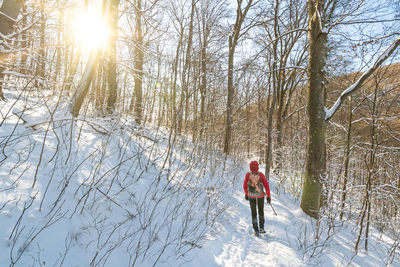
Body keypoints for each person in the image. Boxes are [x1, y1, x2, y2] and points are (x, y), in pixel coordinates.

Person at [243, 160, 271, 235]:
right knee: (261, 212)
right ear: (257, 166)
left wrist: (246, 194)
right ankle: (261, 228)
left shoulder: (248, 175)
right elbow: (266, 186)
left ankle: (255, 229)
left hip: (251, 196)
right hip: (260, 196)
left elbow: (245, 186)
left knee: (253, 213)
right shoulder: (261, 175)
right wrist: (268, 196)